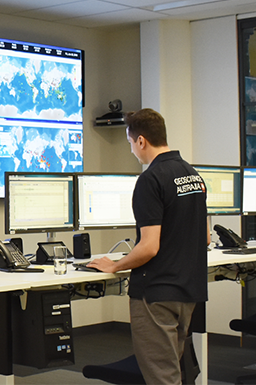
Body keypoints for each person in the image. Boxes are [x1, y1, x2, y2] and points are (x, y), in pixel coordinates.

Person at [87, 108, 209, 385]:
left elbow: (150, 247)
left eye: (131, 143)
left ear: (141, 140)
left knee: (161, 377)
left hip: (157, 295)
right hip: (188, 290)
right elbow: (205, 239)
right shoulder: (193, 175)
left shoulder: (150, 179)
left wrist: (115, 265)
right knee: (172, 371)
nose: (132, 151)